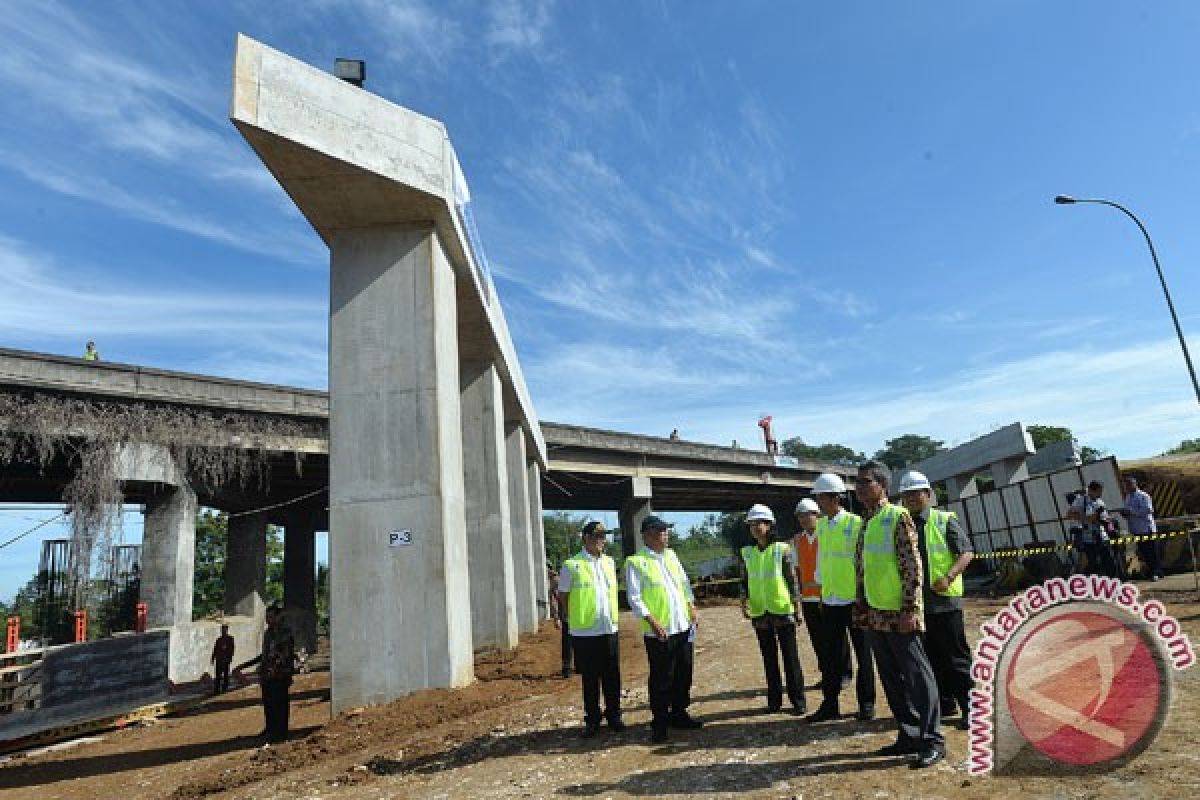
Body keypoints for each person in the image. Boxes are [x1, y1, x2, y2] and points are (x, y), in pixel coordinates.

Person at [854, 460, 944, 768]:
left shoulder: (898, 516)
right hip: (876, 616)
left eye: (866, 482)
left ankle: (932, 740)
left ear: (882, 486)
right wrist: (862, 606)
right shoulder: (865, 522)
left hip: (899, 614)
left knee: (918, 677)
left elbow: (912, 567)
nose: (859, 487)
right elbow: (863, 569)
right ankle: (909, 734)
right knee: (891, 679)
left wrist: (910, 609)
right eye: (858, 482)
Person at [897, 470, 975, 730]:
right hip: (920, 604)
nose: (911, 498)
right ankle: (945, 702)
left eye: (916, 493)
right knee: (931, 657)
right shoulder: (904, 523)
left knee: (956, 656)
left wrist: (949, 577)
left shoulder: (944, 520)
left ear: (928, 495)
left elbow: (966, 553)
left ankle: (972, 707)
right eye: (907, 495)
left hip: (944, 601)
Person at [626, 515, 701, 743]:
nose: (665, 535)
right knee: (661, 678)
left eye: (666, 531)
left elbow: (684, 584)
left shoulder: (671, 556)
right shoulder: (636, 562)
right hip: (660, 631)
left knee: (683, 672)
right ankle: (659, 722)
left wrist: (692, 607)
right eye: (660, 531)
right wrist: (653, 622)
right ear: (647, 535)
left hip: (682, 625)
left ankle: (679, 713)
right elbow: (634, 597)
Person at [807, 472, 876, 724]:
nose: (818, 503)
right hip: (832, 599)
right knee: (830, 655)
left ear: (835, 498)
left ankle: (867, 704)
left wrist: (864, 596)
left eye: (821, 498)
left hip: (855, 600)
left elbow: (864, 563)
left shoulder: (855, 524)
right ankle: (830, 704)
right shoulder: (822, 526)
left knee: (863, 654)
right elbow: (822, 559)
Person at [558, 521, 624, 737]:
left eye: (604, 536)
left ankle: (614, 715)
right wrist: (571, 619)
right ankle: (592, 719)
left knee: (612, 676)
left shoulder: (609, 562)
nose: (602, 540)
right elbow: (563, 596)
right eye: (597, 536)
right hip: (584, 632)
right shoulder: (572, 565)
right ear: (585, 538)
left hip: (608, 627)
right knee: (590, 678)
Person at [739, 504, 807, 715]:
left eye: (760, 523)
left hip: (782, 610)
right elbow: (744, 580)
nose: (756, 527)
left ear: (770, 525)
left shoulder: (782, 549)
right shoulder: (746, 553)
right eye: (752, 524)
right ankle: (774, 700)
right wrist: (743, 601)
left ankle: (798, 701)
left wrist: (797, 607)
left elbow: (792, 580)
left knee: (790, 658)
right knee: (769, 660)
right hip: (760, 613)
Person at [235, 605, 296, 744]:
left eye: (271, 616)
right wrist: (246, 666)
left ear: (279, 617)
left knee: (280, 705)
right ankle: (270, 729)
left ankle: (280, 733)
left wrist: (277, 670)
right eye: (267, 617)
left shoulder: (285, 633)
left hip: (280, 675)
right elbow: (266, 655)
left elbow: (285, 655)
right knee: (269, 704)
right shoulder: (268, 633)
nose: (268, 620)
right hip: (267, 676)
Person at [1068, 481, 1119, 577]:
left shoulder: (1100, 502)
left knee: (1109, 560)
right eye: (1099, 491)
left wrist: (1111, 529)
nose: (1100, 494)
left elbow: (1105, 518)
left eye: (1101, 492)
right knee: (1093, 562)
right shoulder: (1081, 501)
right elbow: (1069, 514)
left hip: (1102, 536)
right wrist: (1087, 518)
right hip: (1088, 537)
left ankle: (1113, 582)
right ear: (1091, 490)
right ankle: (1094, 584)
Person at [1121, 476, 1162, 580]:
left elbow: (1148, 509)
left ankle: (1156, 572)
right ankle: (1150, 572)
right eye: (1126, 485)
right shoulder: (1128, 497)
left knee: (1152, 552)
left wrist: (1132, 512)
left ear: (1134, 484)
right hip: (1136, 529)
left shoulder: (1143, 495)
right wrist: (1125, 513)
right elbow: (1128, 510)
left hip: (1146, 528)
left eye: (1129, 484)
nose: (1127, 487)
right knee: (1144, 552)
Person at [548, 561, 574, 677]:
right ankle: (574, 666)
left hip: (567, 614)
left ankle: (567, 667)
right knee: (575, 640)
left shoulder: (556, 582)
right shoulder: (565, 579)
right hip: (573, 614)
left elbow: (554, 602)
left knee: (567, 641)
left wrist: (556, 617)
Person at [211, 623, 235, 695]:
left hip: (226, 660)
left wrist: (230, 658)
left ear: (227, 630)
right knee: (218, 675)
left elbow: (232, 649)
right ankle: (217, 689)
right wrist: (213, 658)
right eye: (222, 629)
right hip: (219, 660)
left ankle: (225, 688)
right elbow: (215, 649)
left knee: (225, 675)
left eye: (224, 629)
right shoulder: (219, 640)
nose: (223, 631)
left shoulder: (230, 639)